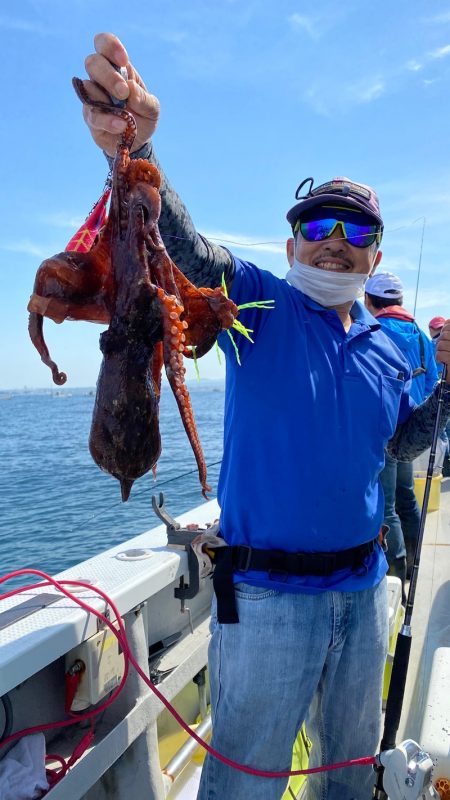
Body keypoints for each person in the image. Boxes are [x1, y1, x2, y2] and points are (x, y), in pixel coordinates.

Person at [78, 33, 450, 800]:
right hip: (268, 604)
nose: (338, 246)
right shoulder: (258, 302)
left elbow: (402, 441)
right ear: (291, 244)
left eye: (357, 235)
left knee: (348, 778)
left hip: (363, 591)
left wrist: (447, 392)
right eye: (320, 229)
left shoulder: (388, 344)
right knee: (246, 784)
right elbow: (184, 248)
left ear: (376, 259)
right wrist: (139, 145)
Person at [364, 273, 438, 593]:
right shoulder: (422, 337)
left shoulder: (377, 331)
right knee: (407, 498)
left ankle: (397, 571)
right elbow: (433, 381)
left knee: (387, 505)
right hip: (415, 432)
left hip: (385, 435)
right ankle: (415, 555)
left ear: (370, 301)